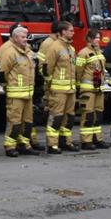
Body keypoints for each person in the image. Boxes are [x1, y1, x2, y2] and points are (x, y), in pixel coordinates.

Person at [0, 25, 38, 156]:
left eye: (26, 36)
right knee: (14, 122)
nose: (26, 39)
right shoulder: (10, 52)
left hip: (28, 94)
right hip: (16, 94)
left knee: (28, 122)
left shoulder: (29, 52)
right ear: (14, 38)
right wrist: (8, 86)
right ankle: (10, 146)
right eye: (23, 37)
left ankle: (24, 144)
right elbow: (2, 73)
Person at [38, 22, 78, 153]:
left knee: (69, 117)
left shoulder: (71, 48)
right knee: (56, 117)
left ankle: (65, 141)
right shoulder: (54, 47)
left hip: (70, 90)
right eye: (71, 30)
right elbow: (46, 69)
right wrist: (50, 86)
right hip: (58, 90)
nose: (73, 32)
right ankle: (52, 144)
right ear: (63, 32)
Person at [76, 29, 109, 149]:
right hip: (88, 89)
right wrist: (79, 85)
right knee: (88, 115)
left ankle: (97, 139)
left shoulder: (99, 53)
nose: (98, 40)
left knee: (98, 114)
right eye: (96, 38)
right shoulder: (83, 53)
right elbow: (78, 71)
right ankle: (86, 141)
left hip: (99, 88)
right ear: (89, 39)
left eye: (99, 38)